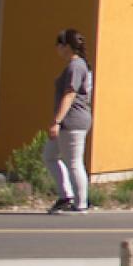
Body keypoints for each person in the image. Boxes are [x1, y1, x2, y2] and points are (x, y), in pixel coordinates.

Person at [46, 29, 94, 215]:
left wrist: (57, 121)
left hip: (73, 121)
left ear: (66, 46)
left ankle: (81, 203)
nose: (57, 49)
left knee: (73, 162)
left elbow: (70, 94)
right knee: (49, 156)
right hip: (70, 121)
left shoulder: (76, 66)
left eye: (59, 45)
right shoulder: (78, 65)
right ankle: (66, 196)